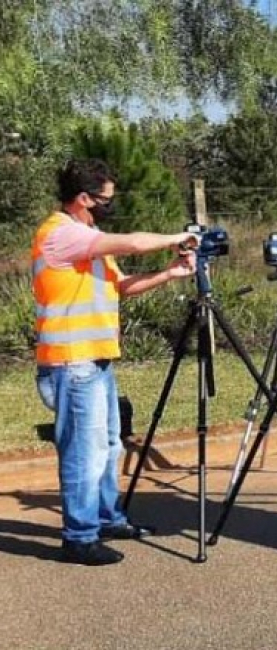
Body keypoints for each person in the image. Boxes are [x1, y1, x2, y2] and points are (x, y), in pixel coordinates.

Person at [32, 159, 198, 566]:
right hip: (73, 362)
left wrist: (170, 273)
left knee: (107, 445)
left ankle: (107, 518)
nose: (111, 205)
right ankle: (79, 537)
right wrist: (178, 235)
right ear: (84, 198)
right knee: (82, 452)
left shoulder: (87, 236)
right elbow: (135, 242)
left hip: (97, 359)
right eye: (106, 200)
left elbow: (120, 287)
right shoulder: (61, 235)